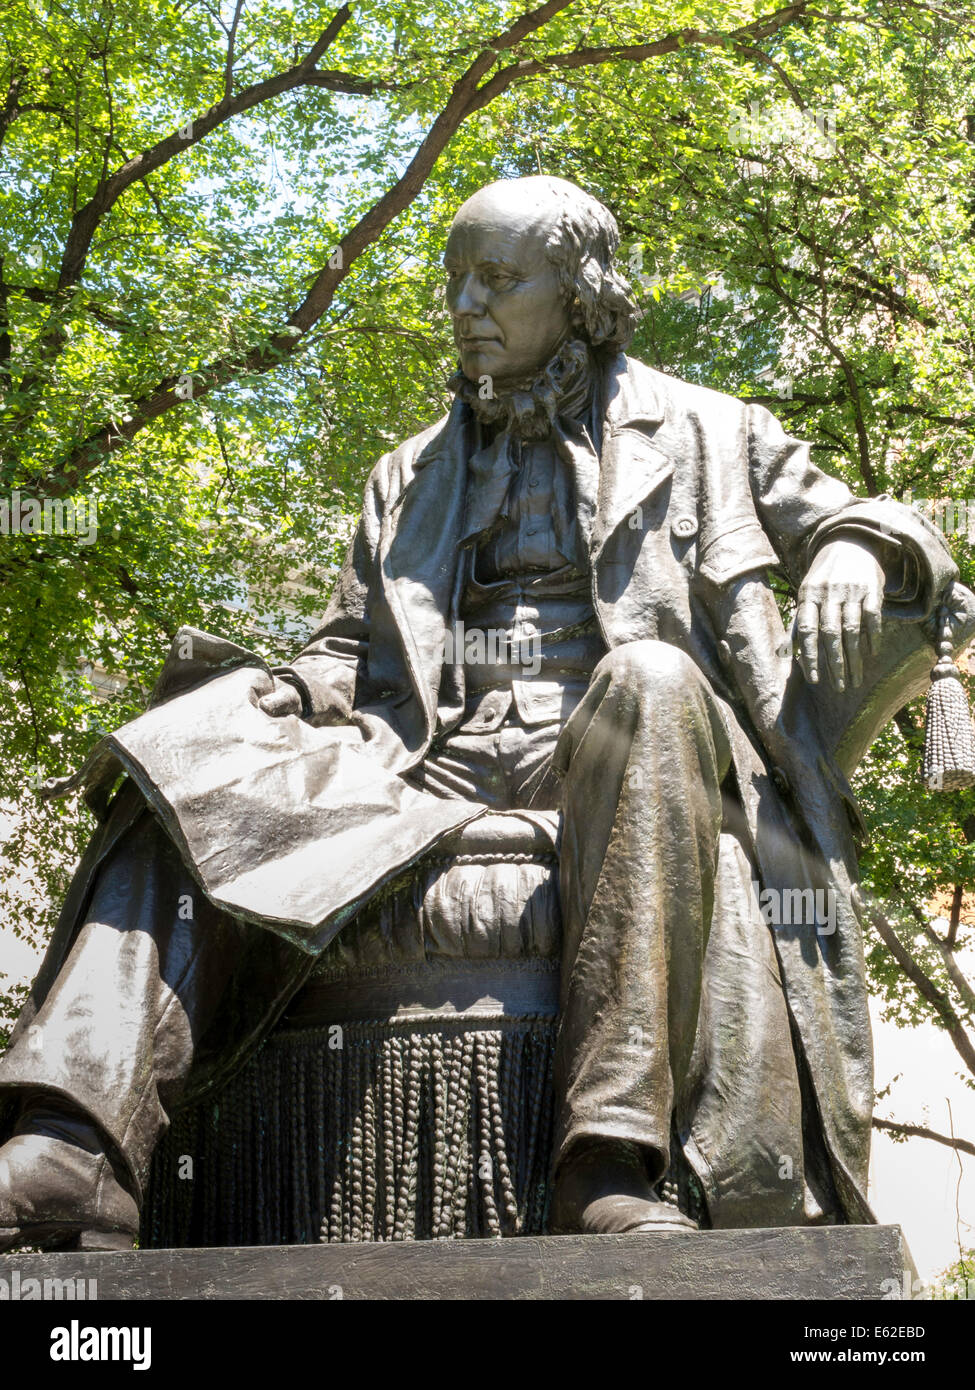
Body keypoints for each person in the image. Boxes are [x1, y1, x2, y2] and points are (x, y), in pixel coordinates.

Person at [0, 176, 958, 1251]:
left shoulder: (709, 431)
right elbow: (349, 653)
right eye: (455, 280)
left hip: (617, 746)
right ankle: (73, 1146)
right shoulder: (407, 473)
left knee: (649, 674)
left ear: (583, 296)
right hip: (423, 764)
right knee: (179, 750)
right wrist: (275, 692)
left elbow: (898, 537)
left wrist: (854, 546)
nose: (466, 304)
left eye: (498, 279)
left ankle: (605, 1164)